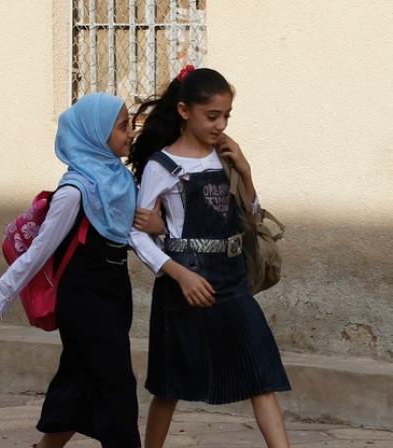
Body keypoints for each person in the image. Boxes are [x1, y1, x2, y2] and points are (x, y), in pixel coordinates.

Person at [127, 66, 292, 448]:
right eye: (212, 116)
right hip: (184, 283)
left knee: (260, 375)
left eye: (227, 116)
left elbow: (250, 218)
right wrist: (179, 275)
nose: (221, 125)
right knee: (170, 384)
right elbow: (136, 233)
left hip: (232, 280)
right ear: (185, 111)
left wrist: (246, 172)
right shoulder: (161, 165)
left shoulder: (227, 157)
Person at [0, 92, 145, 448]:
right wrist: (0, 295)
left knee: (81, 376)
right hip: (83, 297)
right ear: (95, 133)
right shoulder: (76, 190)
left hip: (114, 291)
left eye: (129, 125)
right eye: (122, 127)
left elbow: (132, 236)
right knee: (115, 381)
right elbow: (40, 250)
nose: (130, 133)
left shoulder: (119, 180)